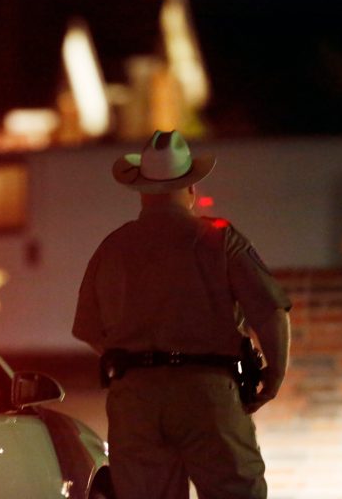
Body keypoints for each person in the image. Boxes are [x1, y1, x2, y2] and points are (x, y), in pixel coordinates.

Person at [72, 130, 291, 499]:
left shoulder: (112, 247)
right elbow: (270, 313)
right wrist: (273, 377)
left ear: (141, 191)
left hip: (134, 399)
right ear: (190, 189)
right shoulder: (220, 241)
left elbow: (91, 331)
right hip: (208, 393)